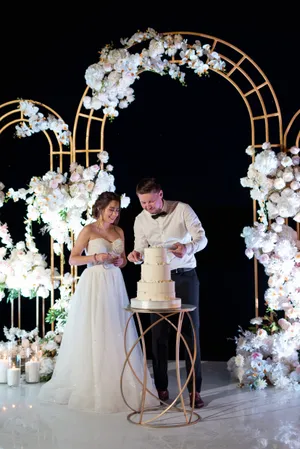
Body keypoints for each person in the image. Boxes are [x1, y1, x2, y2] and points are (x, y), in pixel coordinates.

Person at [38, 191, 157, 413]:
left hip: (114, 282)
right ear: (100, 208)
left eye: (117, 210)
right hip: (94, 283)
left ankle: (116, 378)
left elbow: (122, 263)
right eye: (111, 209)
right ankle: (92, 381)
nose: (114, 214)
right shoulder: (89, 230)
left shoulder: (119, 230)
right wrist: (95, 258)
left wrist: (121, 261)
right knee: (95, 328)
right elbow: (73, 258)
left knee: (115, 328)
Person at [127, 178, 208, 409]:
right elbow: (140, 248)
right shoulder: (140, 220)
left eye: (151, 201)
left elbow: (201, 238)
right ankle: (161, 387)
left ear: (160, 194)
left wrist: (188, 247)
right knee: (159, 335)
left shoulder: (182, 209)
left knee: (190, 334)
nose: (147, 207)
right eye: (143, 203)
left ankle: (194, 391)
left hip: (184, 276)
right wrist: (136, 256)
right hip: (156, 280)